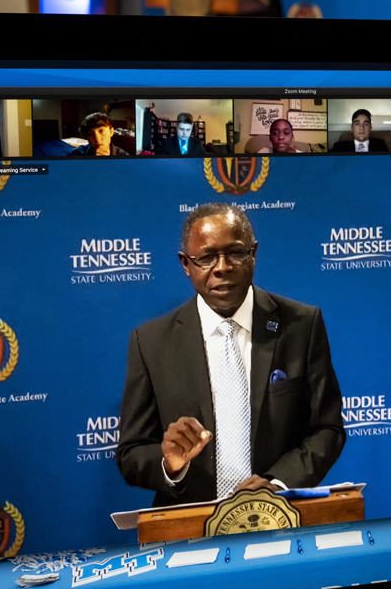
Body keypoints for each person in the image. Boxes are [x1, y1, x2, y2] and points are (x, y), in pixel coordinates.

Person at [116, 203, 344, 506]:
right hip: (189, 529)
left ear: (253, 253)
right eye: (207, 257)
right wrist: (170, 464)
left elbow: (327, 428)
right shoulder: (150, 342)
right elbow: (131, 452)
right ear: (186, 264)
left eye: (235, 253)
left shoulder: (302, 326)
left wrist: (277, 484)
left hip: (280, 520)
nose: (222, 267)